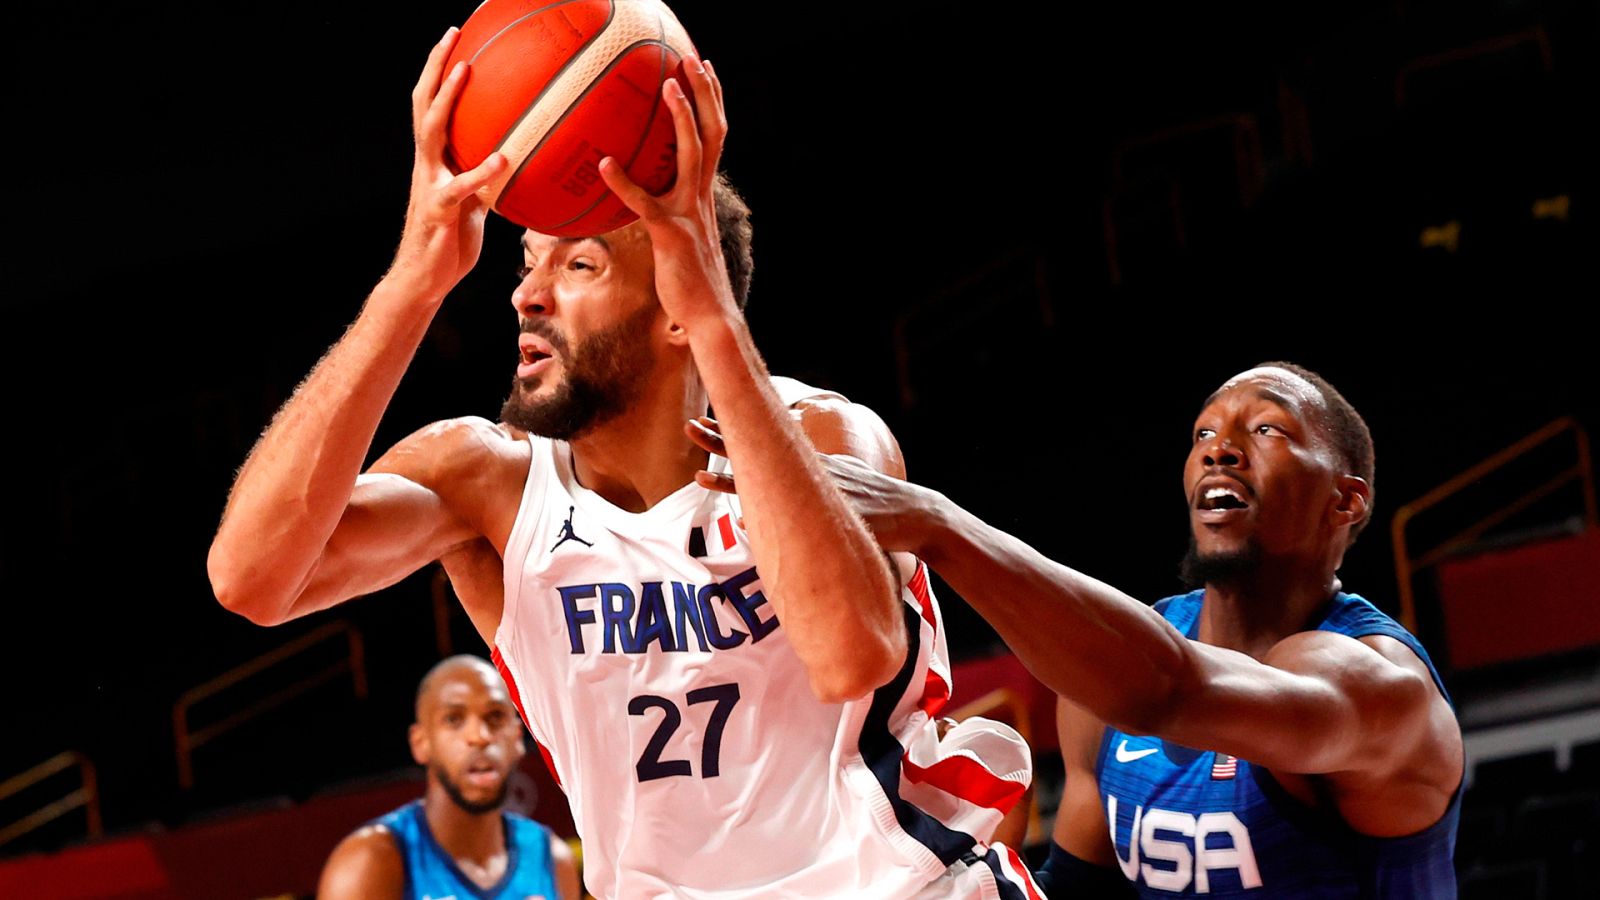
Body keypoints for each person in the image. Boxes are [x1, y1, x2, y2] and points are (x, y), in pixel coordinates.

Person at [207, 26, 1035, 900]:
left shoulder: (825, 434)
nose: (527, 292)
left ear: (678, 304)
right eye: (528, 263)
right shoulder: (488, 481)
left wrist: (719, 325)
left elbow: (850, 655)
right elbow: (249, 579)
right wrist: (415, 276)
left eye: (579, 264)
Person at [693, 362, 1463, 896]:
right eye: (1202, 434)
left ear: (1348, 501)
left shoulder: (1378, 688)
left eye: (1266, 430)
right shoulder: (1112, 675)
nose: (1219, 447)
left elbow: (1171, 692)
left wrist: (937, 526)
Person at [317, 655, 580, 900]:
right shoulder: (369, 861)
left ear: (519, 737)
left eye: (495, 717)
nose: (479, 736)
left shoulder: (553, 859)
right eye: (454, 719)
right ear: (420, 743)